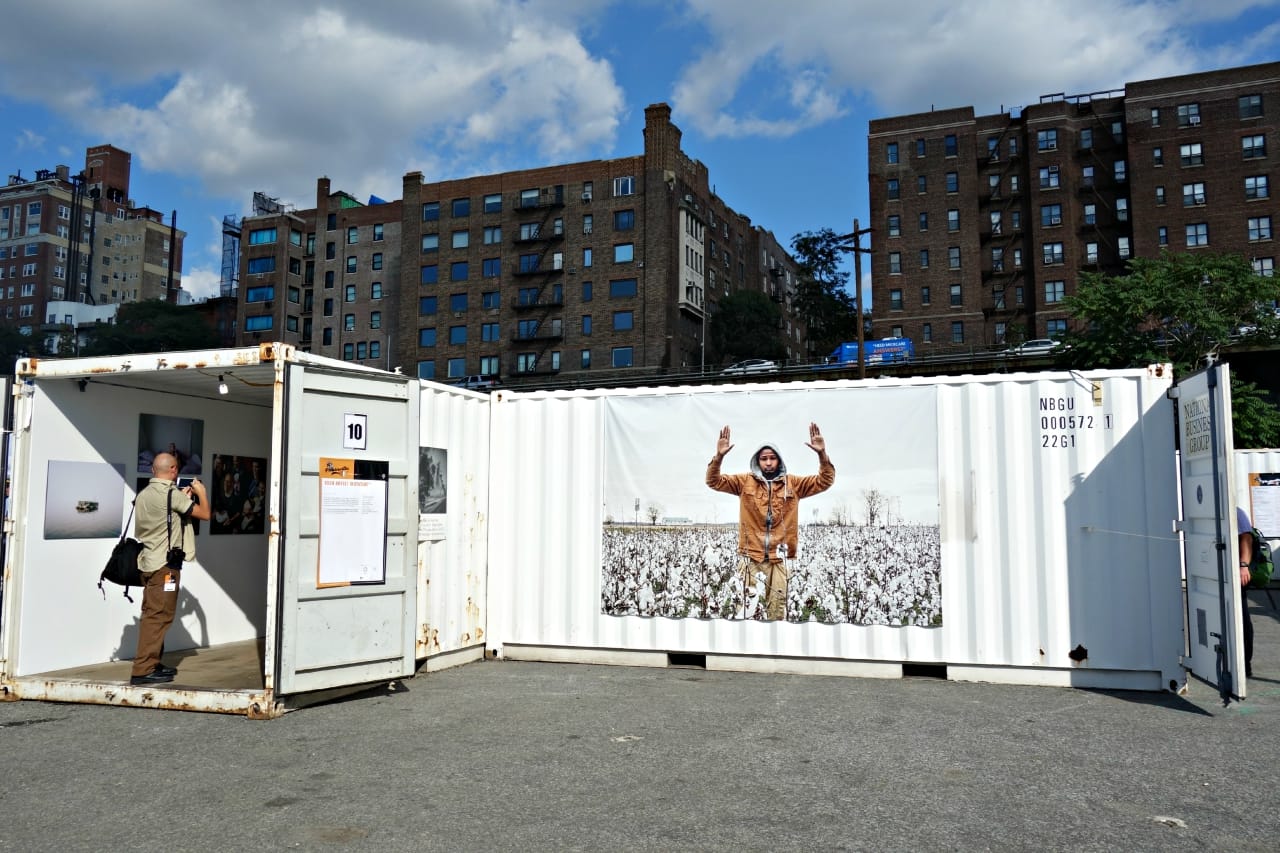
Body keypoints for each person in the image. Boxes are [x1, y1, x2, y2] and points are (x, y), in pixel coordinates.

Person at [706, 423, 835, 621]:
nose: (768, 463)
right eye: (764, 458)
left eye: (772, 458)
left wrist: (822, 455)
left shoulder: (794, 484)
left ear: (779, 461)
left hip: (779, 559)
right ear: (758, 461)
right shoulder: (744, 482)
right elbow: (713, 481)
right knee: (747, 611)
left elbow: (824, 481)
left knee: (777, 612)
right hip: (751, 557)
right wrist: (719, 457)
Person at [130, 452, 210, 685]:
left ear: (154, 471)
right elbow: (204, 514)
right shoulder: (170, 495)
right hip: (165, 566)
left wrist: (182, 499)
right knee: (158, 617)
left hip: (148, 562)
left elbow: (165, 517)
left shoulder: (145, 494)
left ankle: (152, 663)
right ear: (174, 470)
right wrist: (201, 494)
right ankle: (143, 669)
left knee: (154, 613)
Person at [1239, 505, 1255, 679]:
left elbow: (1246, 538)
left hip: (1237, 574)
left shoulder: (1234, 511)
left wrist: (1244, 566)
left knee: (1241, 620)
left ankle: (1245, 664)